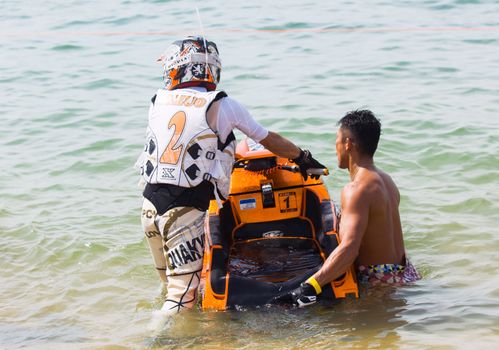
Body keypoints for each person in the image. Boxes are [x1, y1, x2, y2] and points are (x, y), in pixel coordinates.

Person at [136, 36, 326, 318]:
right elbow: (267, 139)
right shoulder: (221, 104)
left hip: (149, 207)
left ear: (175, 68)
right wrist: (302, 157)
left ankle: (182, 333)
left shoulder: (158, 101)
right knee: (180, 298)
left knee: (170, 285)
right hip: (183, 211)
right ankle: (154, 341)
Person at [280, 110, 420, 307]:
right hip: (406, 274)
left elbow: (349, 250)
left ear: (348, 143)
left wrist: (311, 285)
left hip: (379, 286)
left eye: (337, 140)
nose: (335, 146)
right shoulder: (387, 180)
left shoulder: (356, 189)